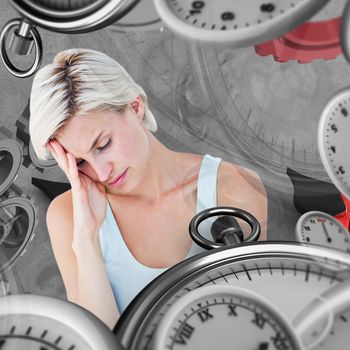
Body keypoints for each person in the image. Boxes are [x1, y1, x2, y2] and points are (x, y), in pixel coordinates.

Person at [29, 48, 267, 329]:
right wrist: (87, 237)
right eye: (80, 162)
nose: (102, 173)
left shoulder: (232, 187)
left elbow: (255, 324)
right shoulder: (69, 216)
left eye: (103, 145)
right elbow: (95, 342)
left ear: (135, 106)